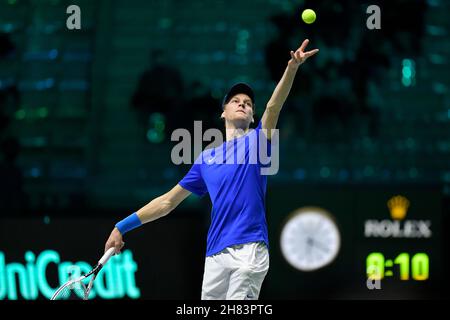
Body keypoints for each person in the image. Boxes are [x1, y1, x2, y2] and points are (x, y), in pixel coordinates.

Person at [104, 39, 319, 300]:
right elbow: (167, 202)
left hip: (249, 250)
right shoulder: (206, 159)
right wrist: (121, 227)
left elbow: (274, 107)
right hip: (215, 255)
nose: (243, 104)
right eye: (236, 101)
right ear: (223, 113)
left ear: (252, 117)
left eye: (249, 103)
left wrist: (292, 68)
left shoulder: (258, 141)